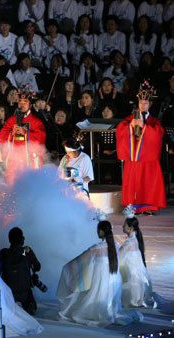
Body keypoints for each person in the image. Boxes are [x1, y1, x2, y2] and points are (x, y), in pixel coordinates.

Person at [57, 219, 143, 326]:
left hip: (101, 280)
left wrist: (67, 267)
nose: (97, 232)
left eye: (98, 230)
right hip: (114, 280)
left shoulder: (97, 248)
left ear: (102, 232)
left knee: (86, 299)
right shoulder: (115, 246)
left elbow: (81, 261)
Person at [116, 81, 167, 214]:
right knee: (133, 181)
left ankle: (148, 206)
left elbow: (158, 134)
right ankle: (132, 205)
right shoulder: (130, 118)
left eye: (145, 103)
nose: (142, 106)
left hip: (147, 158)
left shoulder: (154, 121)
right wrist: (130, 127)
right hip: (134, 157)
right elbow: (121, 129)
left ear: (149, 105)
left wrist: (145, 127)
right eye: (140, 103)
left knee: (149, 182)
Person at [0, 86, 46, 184]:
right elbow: (1, 136)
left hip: (30, 160)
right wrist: (11, 134)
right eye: (20, 102)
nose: (22, 105)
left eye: (25, 102)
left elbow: (41, 138)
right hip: (14, 160)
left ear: (30, 105)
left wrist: (26, 134)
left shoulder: (36, 122)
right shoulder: (11, 120)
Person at [0, 227, 42, 315]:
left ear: (9, 240)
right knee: (31, 306)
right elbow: (37, 267)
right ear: (22, 239)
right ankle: (29, 304)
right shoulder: (25, 251)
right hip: (24, 292)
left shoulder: (4, 253)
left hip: (8, 293)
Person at [120, 205, 154, 308]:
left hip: (132, 277)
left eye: (124, 225)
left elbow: (118, 255)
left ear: (130, 228)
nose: (122, 226)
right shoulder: (134, 241)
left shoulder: (130, 243)